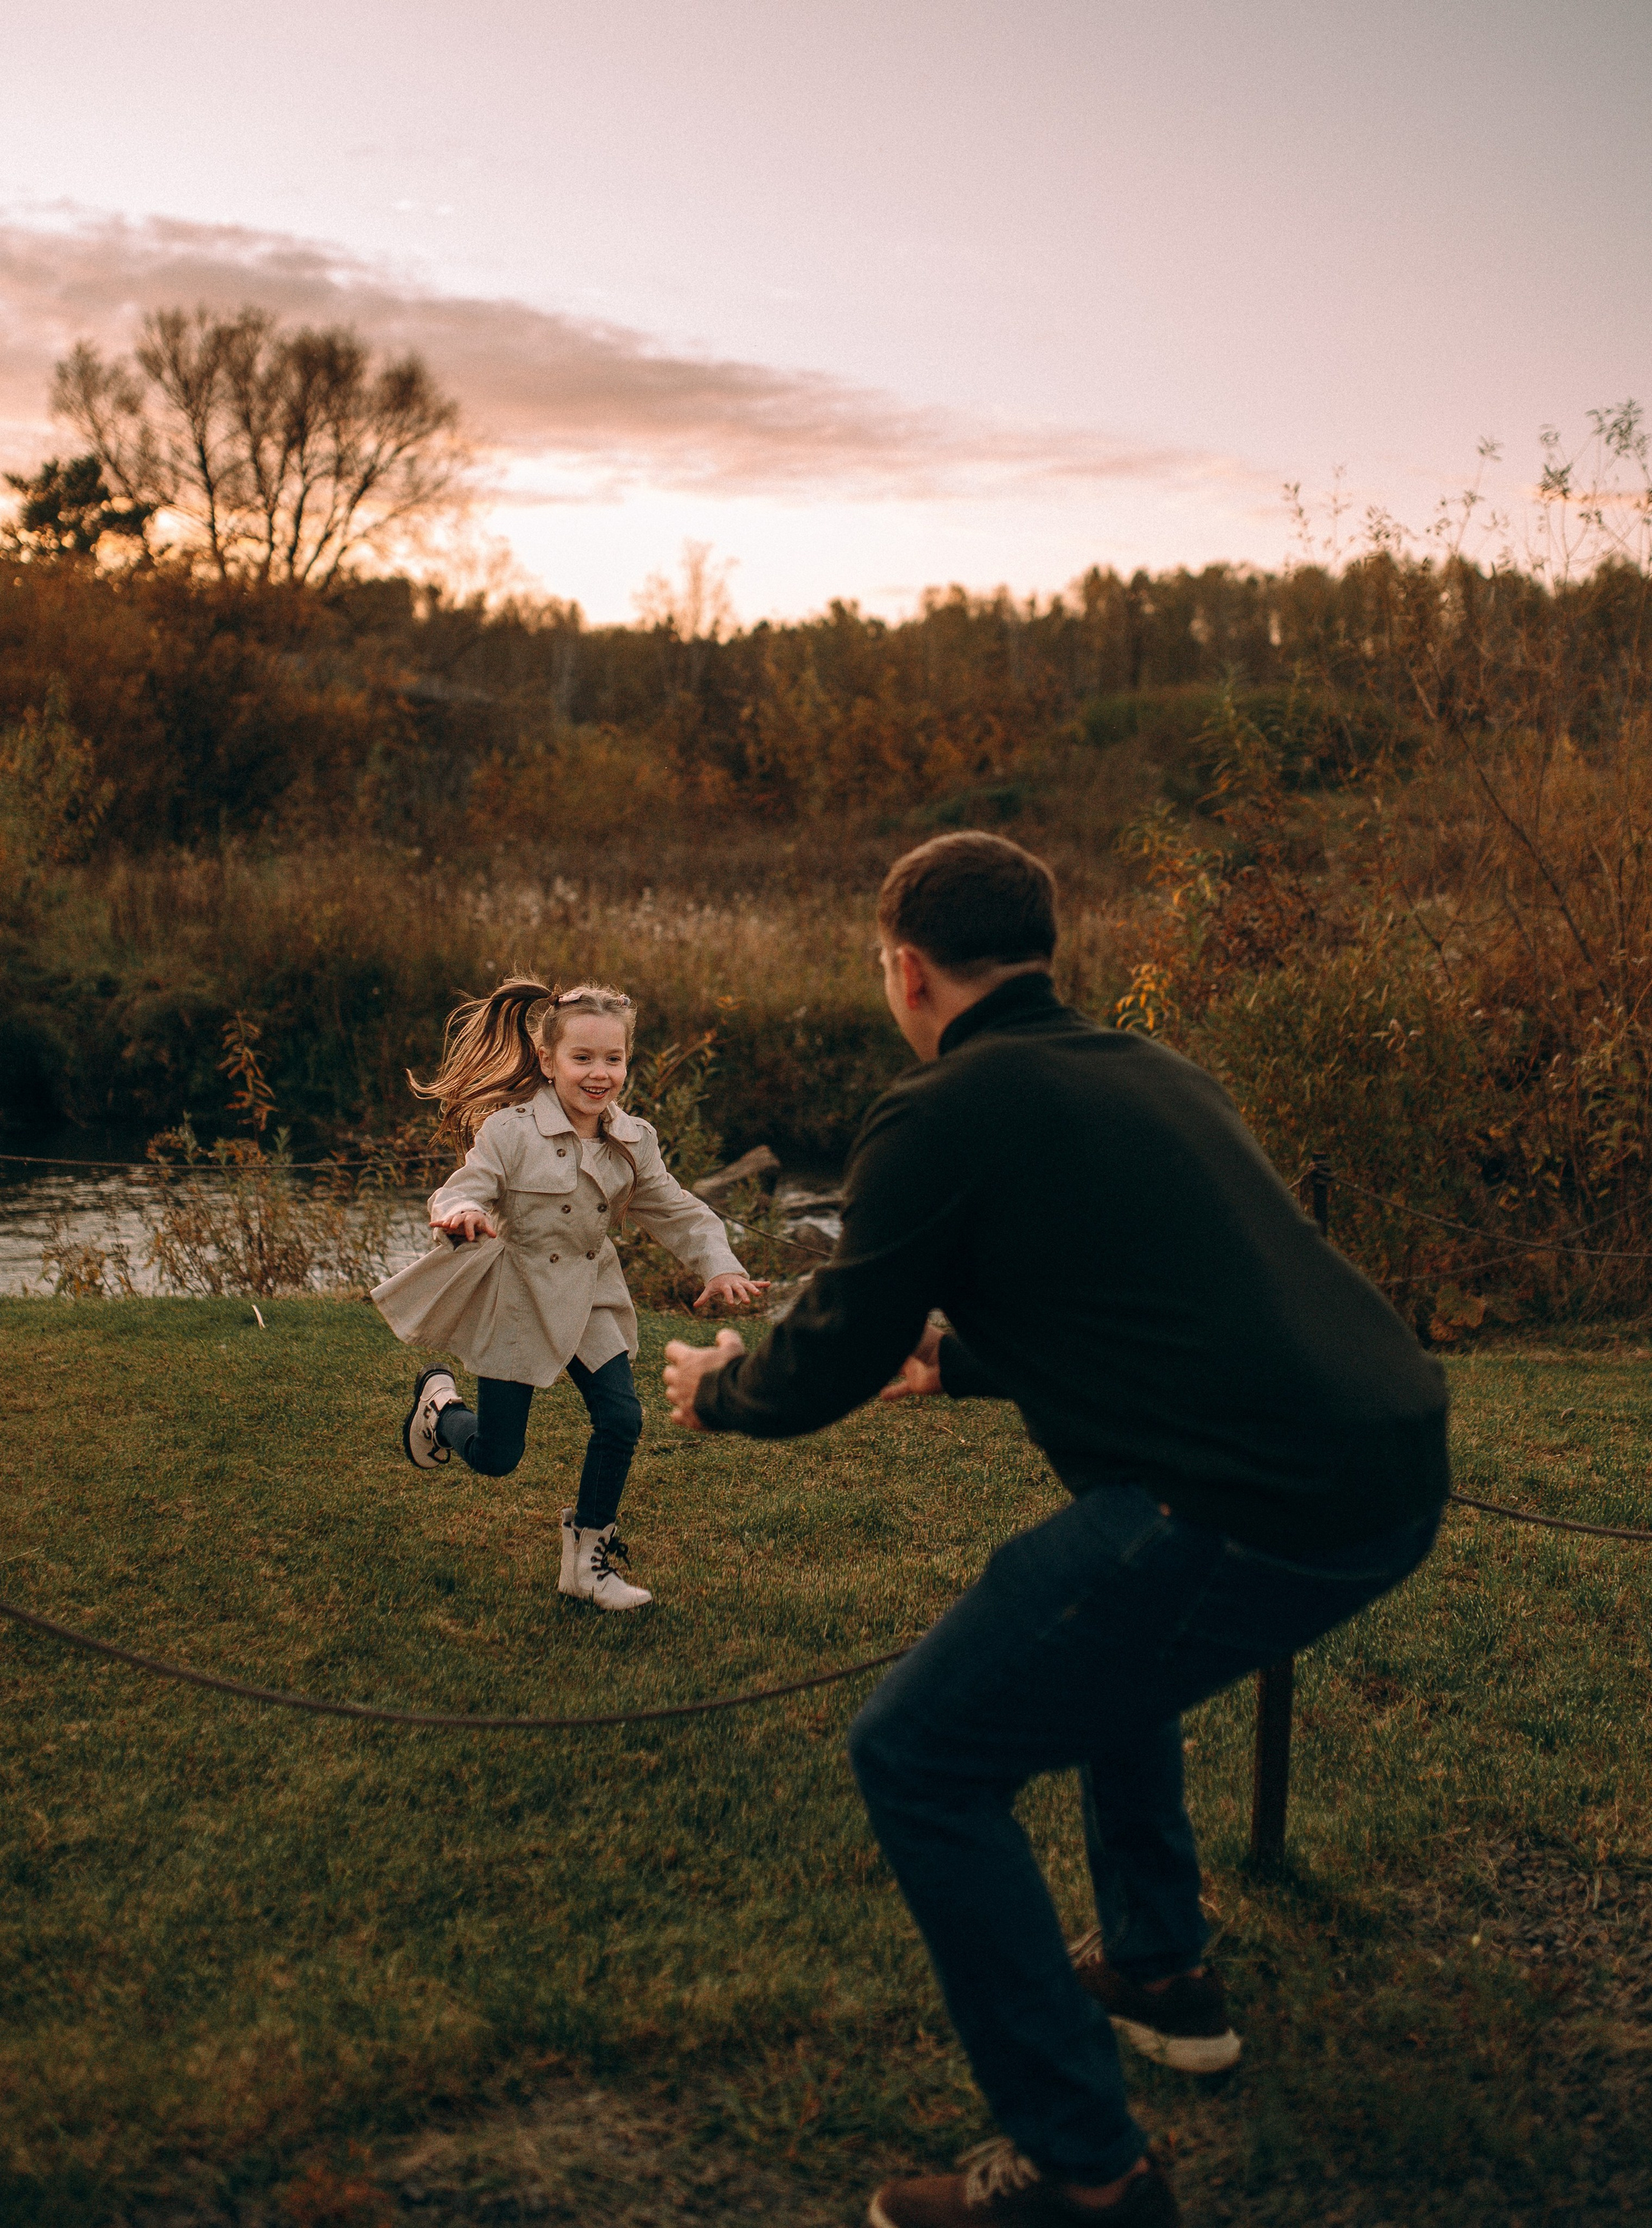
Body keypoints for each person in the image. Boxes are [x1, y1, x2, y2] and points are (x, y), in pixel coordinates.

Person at [662, 833, 1449, 2228]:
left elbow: (831, 1351)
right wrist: (956, 1364)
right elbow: (1163, 1301)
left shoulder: (937, 1108)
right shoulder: (1153, 1070)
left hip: (1244, 1500)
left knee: (916, 1751)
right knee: (1102, 1648)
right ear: (1041, 950)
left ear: (907, 970)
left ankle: (1086, 2171)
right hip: (1386, 1467)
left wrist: (718, 1392)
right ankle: (1157, 1966)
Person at [374, 978, 767, 1611]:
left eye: (613, 1058)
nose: (599, 1073)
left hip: (590, 1295)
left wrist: (719, 1266)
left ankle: (588, 1564)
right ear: (548, 1059)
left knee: (622, 1418)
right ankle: (439, 1409)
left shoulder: (634, 1140)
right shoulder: (509, 1131)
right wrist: (462, 1211)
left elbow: (678, 1210)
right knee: (497, 1455)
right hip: (520, 1296)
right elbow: (465, 1185)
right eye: (582, 1058)